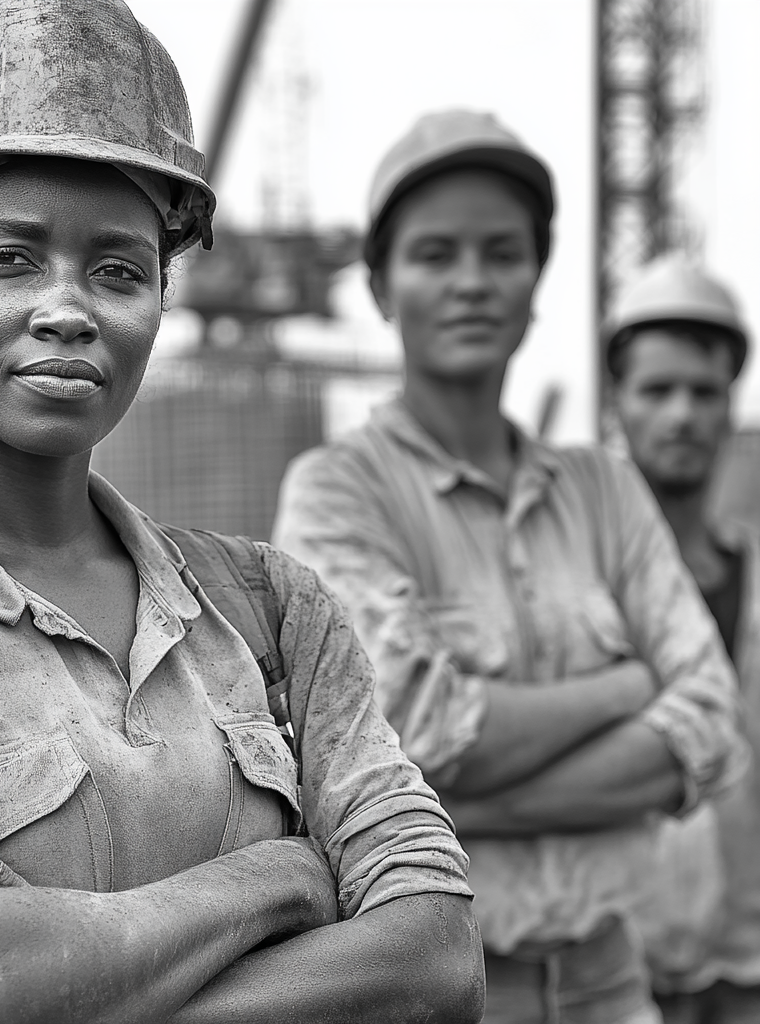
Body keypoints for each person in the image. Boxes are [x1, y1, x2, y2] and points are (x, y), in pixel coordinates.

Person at [0, 5, 483, 1023]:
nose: (68, 306)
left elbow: (437, 962)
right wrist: (277, 878)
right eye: (8, 258)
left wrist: (67, 980)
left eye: (119, 270)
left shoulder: (269, 605)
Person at [271, 109, 748, 1024]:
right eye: (435, 254)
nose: (472, 283)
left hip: (615, 982)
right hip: (449, 989)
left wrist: (463, 800)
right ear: (380, 286)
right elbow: (406, 740)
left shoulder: (604, 488)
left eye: (501, 253)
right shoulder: (338, 495)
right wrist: (628, 687)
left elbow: (712, 721)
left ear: (537, 282)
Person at [609, 255, 760, 1024]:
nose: (682, 415)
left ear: (732, 406)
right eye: (657, 390)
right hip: (615, 972)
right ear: (619, 406)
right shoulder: (579, 593)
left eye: (704, 393)